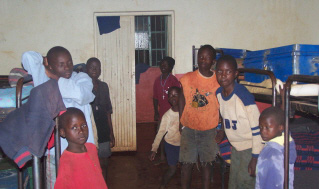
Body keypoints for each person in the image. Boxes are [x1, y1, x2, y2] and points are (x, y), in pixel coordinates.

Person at [21, 47, 95, 188]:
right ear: (49, 64)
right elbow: (27, 57)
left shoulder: (81, 78)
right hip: (56, 153)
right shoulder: (43, 77)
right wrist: (44, 60)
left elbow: (80, 94)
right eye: (61, 64)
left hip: (82, 149)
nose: (67, 68)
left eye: (69, 62)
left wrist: (54, 77)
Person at [215, 55, 264, 189]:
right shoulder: (219, 93)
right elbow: (226, 115)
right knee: (234, 182)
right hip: (236, 146)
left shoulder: (244, 97)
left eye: (228, 71)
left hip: (250, 147)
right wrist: (222, 131)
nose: (223, 75)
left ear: (236, 74)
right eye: (220, 71)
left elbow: (257, 128)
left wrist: (255, 158)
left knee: (246, 182)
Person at [179, 45, 220, 189]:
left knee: (207, 165)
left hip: (209, 129)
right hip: (189, 128)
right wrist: (181, 119)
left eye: (207, 57)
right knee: (186, 165)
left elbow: (223, 103)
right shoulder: (187, 78)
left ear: (213, 61)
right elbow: (181, 98)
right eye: (201, 56)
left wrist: (221, 127)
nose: (203, 59)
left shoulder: (218, 80)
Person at [54, 107, 108, 189]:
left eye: (83, 125)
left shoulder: (92, 148)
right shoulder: (67, 162)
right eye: (74, 128)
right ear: (63, 132)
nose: (81, 131)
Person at [86, 57, 115, 181]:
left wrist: (111, 133)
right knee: (90, 162)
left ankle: (104, 183)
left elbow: (108, 111)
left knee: (104, 161)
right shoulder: (82, 87)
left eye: (97, 67)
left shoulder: (104, 86)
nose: (94, 69)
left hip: (103, 127)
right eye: (92, 67)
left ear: (100, 70)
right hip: (89, 129)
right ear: (86, 69)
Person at [256, 107, 297, 189]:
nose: (262, 131)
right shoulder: (281, 143)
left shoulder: (274, 153)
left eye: (267, 127)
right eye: (261, 127)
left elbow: (275, 182)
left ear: (280, 127)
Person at [149, 86, 181, 189]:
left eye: (176, 95)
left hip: (184, 145)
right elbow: (160, 133)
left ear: (181, 96)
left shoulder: (185, 113)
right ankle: (163, 184)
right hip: (171, 145)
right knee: (172, 169)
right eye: (170, 95)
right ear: (168, 99)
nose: (173, 97)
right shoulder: (167, 116)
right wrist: (154, 149)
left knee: (185, 167)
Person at [153, 56, 180, 164]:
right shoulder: (157, 80)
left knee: (174, 135)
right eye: (162, 64)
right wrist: (155, 111)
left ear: (170, 67)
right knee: (161, 133)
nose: (163, 66)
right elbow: (155, 97)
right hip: (162, 113)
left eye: (166, 65)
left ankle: (176, 158)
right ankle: (162, 156)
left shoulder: (173, 80)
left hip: (173, 114)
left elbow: (179, 96)